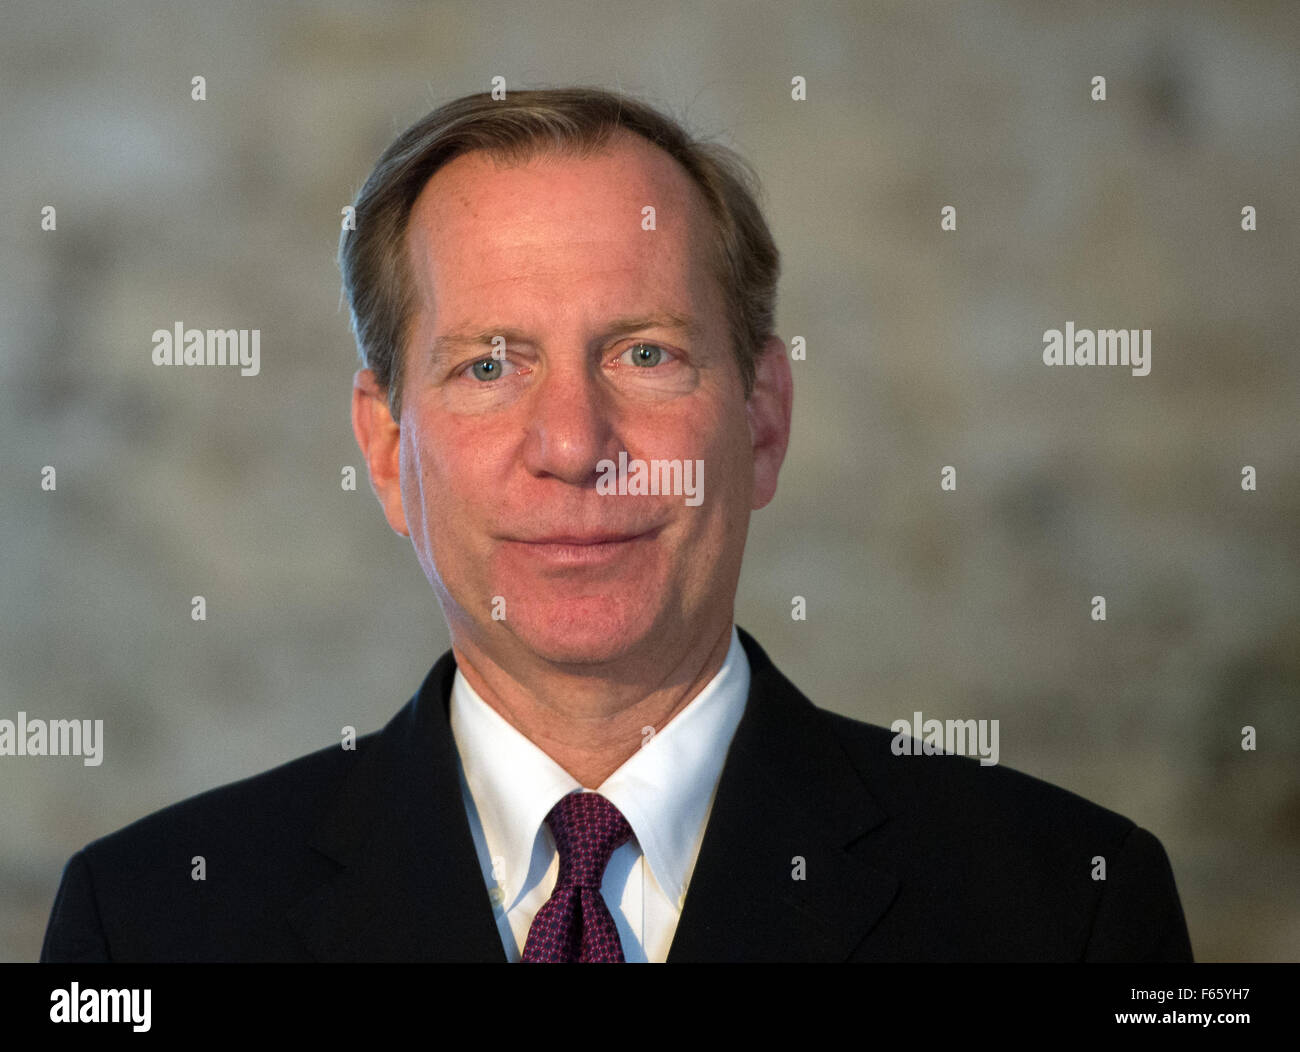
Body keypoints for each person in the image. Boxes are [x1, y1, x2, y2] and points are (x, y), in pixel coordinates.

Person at [41, 87, 1193, 963]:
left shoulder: (1065, 906)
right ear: (390, 453)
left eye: (644, 354)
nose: (574, 440)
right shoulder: (145, 923)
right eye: (489, 364)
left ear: (763, 418)